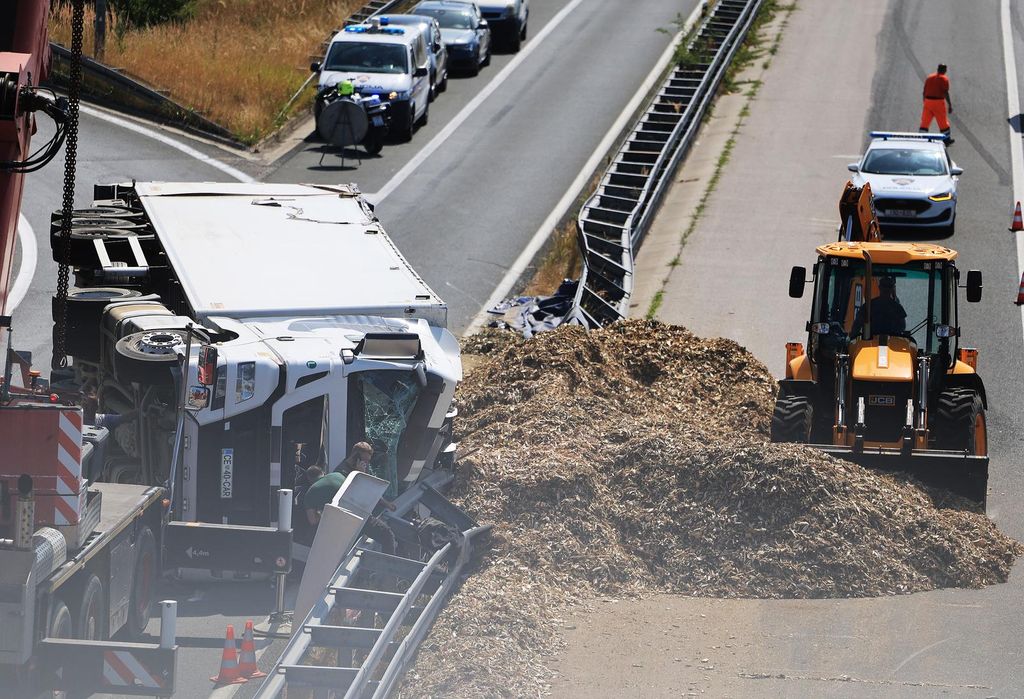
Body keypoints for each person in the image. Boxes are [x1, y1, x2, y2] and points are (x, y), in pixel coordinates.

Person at [920, 63, 954, 144]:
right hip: (938, 102)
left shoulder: (929, 77)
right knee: (943, 122)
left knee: (925, 121)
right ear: (944, 70)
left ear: (937, 69)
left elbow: (924, 91)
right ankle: (946, 140)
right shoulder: (944, 79)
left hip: (928, 102)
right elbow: (945, 92)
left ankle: (922, 139)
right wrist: (949, 104)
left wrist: (925, 102)